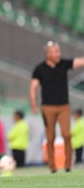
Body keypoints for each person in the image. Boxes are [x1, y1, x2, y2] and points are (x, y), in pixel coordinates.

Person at [30, 41, 84, 172]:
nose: (58, 54)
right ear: (48, 54)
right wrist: (33, 103)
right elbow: (33, 87)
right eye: (56, 52)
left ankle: (67, 164)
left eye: (59, 52)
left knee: (66, 134)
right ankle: (52, 165)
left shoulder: (63, 64)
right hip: (47, 107)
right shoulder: (39, 69)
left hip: (63, 106)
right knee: (50, 137)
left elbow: (79, 62)